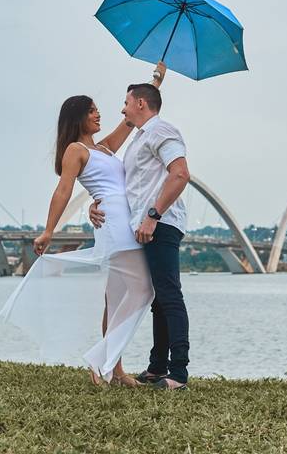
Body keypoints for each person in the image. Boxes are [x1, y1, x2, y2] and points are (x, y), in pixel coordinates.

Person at [0, 63, 166, 387]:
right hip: (114, 224)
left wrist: (156, 81)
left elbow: (133, 118)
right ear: (78, 117)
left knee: (116, 298)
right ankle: (100, 361)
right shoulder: (75, 151)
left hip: (124, 219)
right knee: (144, 289)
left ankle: (114, 371)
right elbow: (64, 189)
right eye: (92, 111)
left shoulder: (103, 147)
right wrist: (50, 230)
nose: (98, 115)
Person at [89, 80, 191, 390]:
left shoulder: (163, 132)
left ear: (141, 105)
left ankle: (178, 375)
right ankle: (157, 368)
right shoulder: (139, 139)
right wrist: (96, 204)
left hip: (160, 224)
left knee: (169, 294)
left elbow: (181, 173)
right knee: (157, 299)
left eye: (126, 102)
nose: (122, 108)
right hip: (142, 226)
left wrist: (153, 215)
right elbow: (124, 185)